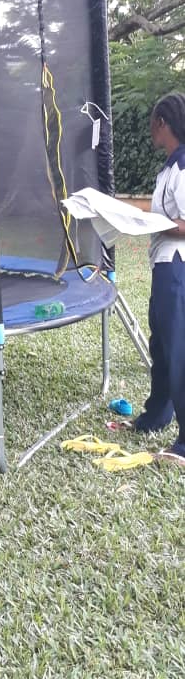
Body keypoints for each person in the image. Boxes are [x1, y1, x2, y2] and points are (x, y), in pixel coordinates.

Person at [129, 92, 185, 467]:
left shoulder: (182, 169)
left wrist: (156, 225)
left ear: (162, 123)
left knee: (178, 349)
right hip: (161, 264)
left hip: (176, 266)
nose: (151, 129)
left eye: (153, 122)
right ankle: (157, 414)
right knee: (162, 344)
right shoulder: (169, 168)